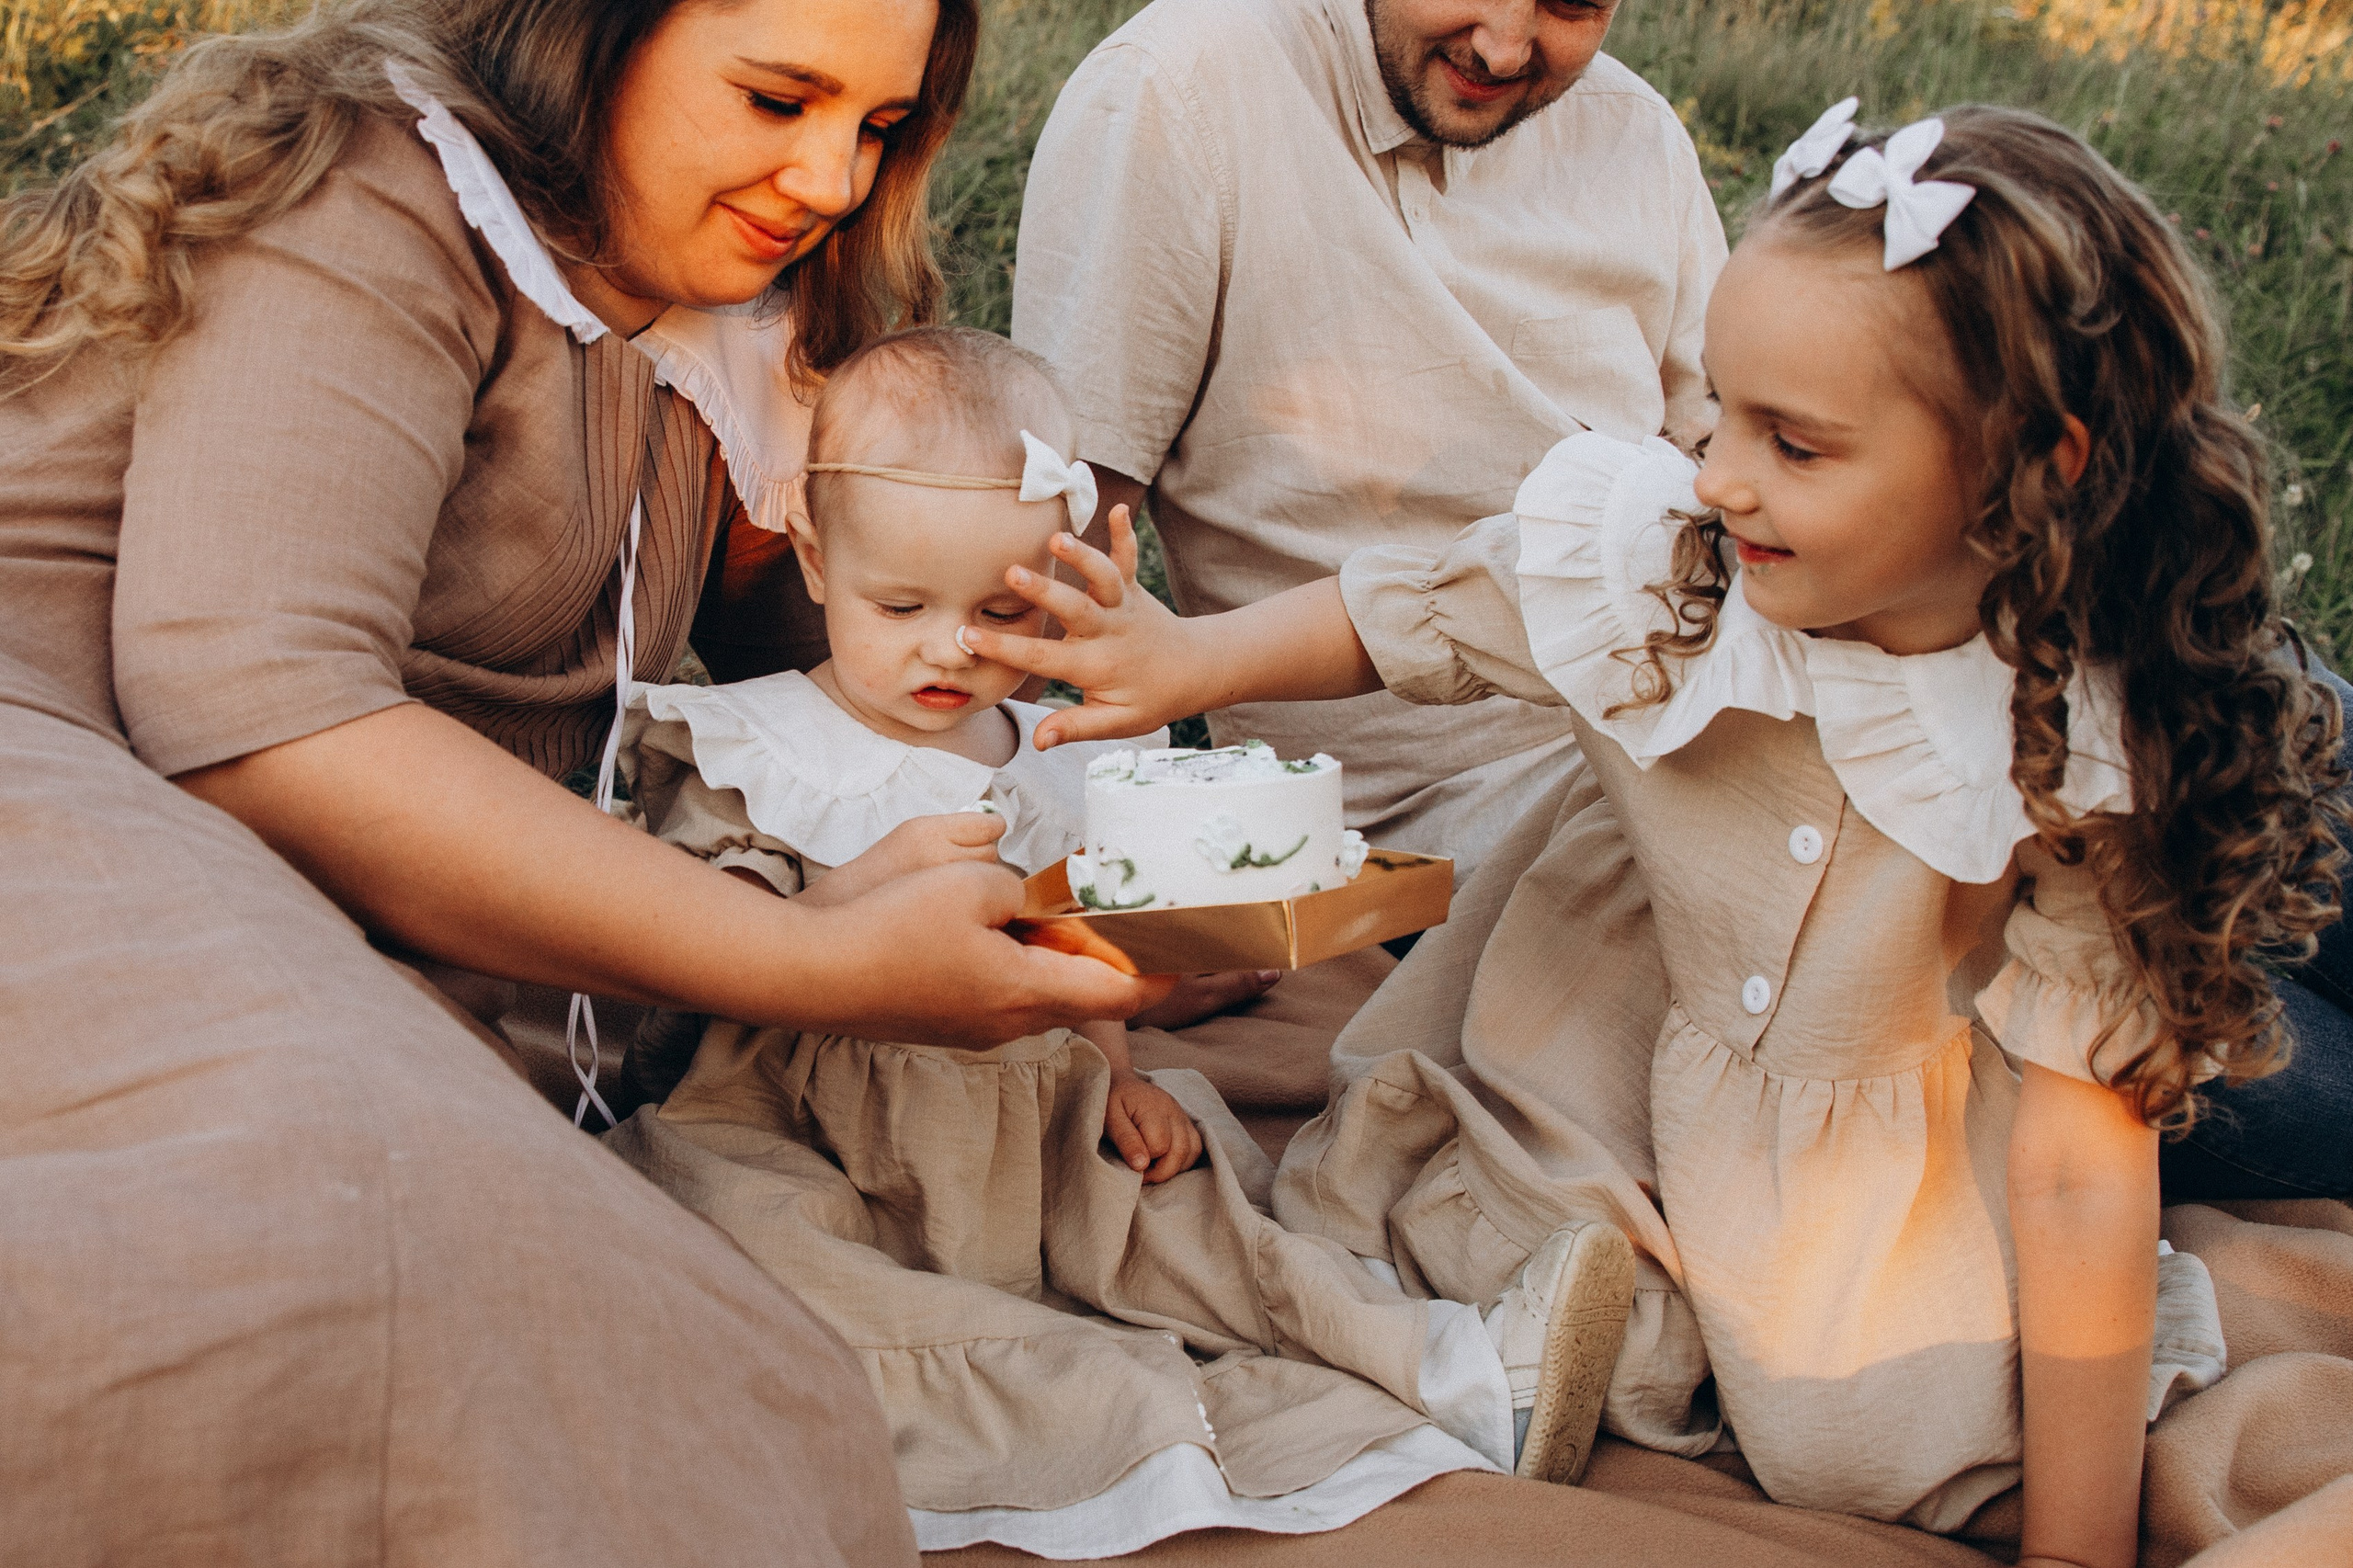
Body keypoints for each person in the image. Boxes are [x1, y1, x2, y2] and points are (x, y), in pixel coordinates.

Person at [963, 105, 2350, 1562]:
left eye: (1793, 442)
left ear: (2034, 466)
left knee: (1872, 1428)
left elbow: (2078, 1154)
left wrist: (2078, 1545)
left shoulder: (2073, 746)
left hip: (1865, 1162)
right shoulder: (1667, 570)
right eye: (1719, 413)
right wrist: (1191, 658)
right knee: (1449, 1235)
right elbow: (1422, 610)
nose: (1721, 476)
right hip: (1585, 1049)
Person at [0, 1, 1165, 1560]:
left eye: (879, 127)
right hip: (63, 780)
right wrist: (807, 955)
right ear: (592, 33)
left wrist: (1093, 803)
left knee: (613, 1272)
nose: (831, 179)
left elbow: (845, 674)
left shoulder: (730, 301)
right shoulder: (381, 187)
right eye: (779, 99)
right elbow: (261, 710)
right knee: (329, 1226)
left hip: (318, 894)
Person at [598, 325, 1533, 1556]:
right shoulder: (763, 748)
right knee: (776, 1257)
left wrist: (1123, 1068)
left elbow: (1076, 948)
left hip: (1028, 1120)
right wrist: (850, 898)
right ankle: (1094, 1412)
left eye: (1000, 610)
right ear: (817, 562)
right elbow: (698, 948)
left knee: (1194, 1220)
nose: (950, 645)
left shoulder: (1054, 758)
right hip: (810, 1119)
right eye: (901, 605)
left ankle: (1454, 1362)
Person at [1011, 0, 1725, 879]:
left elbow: (1731, 475)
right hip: (1411, 821)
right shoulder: (1184, 88)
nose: (1504, 50)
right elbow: (1058, 534)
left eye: (1571, 2)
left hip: (1686, 732)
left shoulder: (1637, 135)